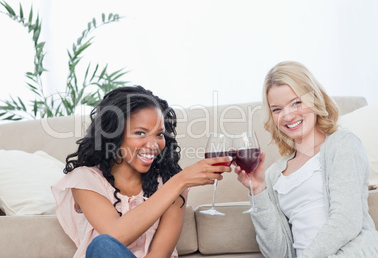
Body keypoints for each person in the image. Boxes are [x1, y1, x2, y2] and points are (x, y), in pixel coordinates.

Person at [52, 85, 232, 258]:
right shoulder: (84, 180)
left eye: (159, 134)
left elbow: (159, 254)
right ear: (113, 135)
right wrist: (179, 181)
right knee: (103, 245)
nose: (154, 145)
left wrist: (177, 183)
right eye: (140, 133)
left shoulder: (170, 183)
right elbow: (115, 235)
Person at [234, 61, 378, 257]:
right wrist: (258, 190)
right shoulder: (275, 175)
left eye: (296, 102)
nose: (288, 115)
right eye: (277, 109)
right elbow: (278, 253)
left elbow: (346, 221)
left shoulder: (343, 144)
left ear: (315, 100)